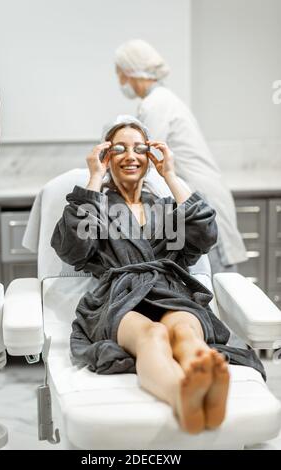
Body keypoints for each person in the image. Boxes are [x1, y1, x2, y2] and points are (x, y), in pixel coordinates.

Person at [50, 117, 265, 435]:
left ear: (150, 158)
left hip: (170, 291)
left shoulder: (166, 207)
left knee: (186, 334)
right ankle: (182, 395)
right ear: (107, 157)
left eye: (139, 149)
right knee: (152, 336)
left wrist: (171, 176)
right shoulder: (98, 206)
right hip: (119, 298)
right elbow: (73, 248)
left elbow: (205, 235)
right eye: (119, 149)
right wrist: (94, 178)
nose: (130, 156)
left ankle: (205, 381)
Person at [115, 39, 247, 274]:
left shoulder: (156, 104)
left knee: (221, 281)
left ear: (130, 72)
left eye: (120, 74)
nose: (120, 82)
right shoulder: (161, 101)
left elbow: (147, 157)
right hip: (197, 192)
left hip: (200, 195)